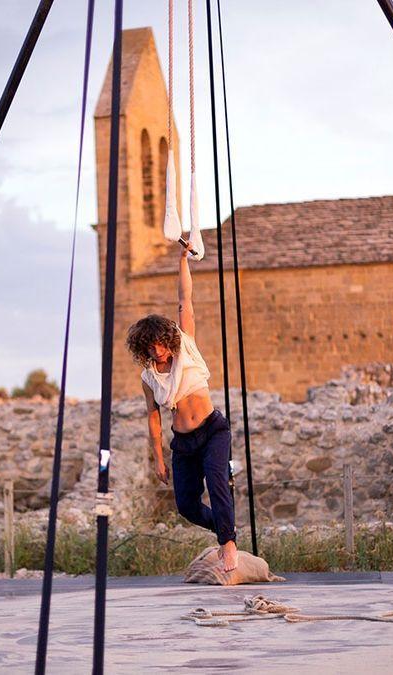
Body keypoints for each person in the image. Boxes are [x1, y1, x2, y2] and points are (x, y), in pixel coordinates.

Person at [126, 243, 239, 572]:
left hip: (212, 429)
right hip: (184, 443)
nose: (158, 351)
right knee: (187, 506)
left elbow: (184, 299)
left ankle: (228, 546)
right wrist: (159, 459)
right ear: (144, 348)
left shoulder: (186, 346)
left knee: (218, 484)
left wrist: (182, 260)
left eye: (161, 343)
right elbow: (154, 417)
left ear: (168, 338)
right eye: (151, 347)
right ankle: (224, 531)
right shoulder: (148, 377)